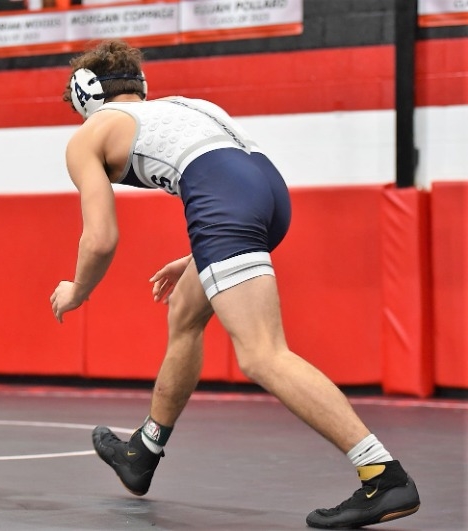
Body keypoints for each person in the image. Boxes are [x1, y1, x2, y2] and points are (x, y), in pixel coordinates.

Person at [49, 40, 421, 529]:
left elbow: (100, 239)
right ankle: (143, 451)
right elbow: (229, 174)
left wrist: (78, 289)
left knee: (263, 354)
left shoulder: (88, 134)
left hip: (225, 203)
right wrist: (198, 254)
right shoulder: (184, 106)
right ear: (139, 87)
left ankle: (384, 475)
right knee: (184, 313)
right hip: (267, 193)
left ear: (85, 99)